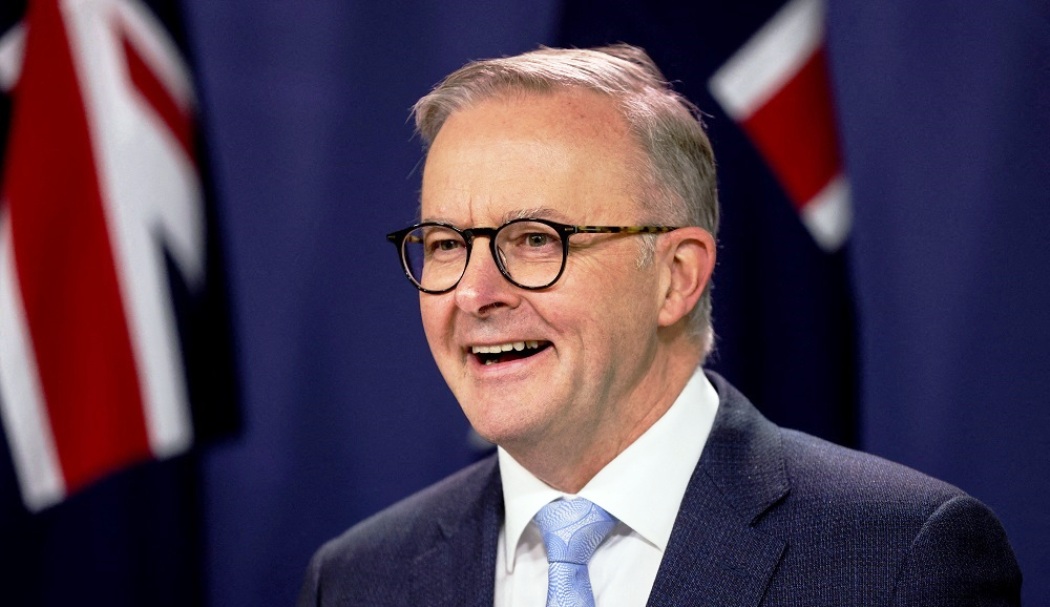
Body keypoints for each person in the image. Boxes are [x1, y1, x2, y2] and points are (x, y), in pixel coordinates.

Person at [297, 44, 1021, 606]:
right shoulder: (359, 578)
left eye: (536, 240)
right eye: (446, 244)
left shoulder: (899, 558)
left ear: (676, 275)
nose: (474, 292)